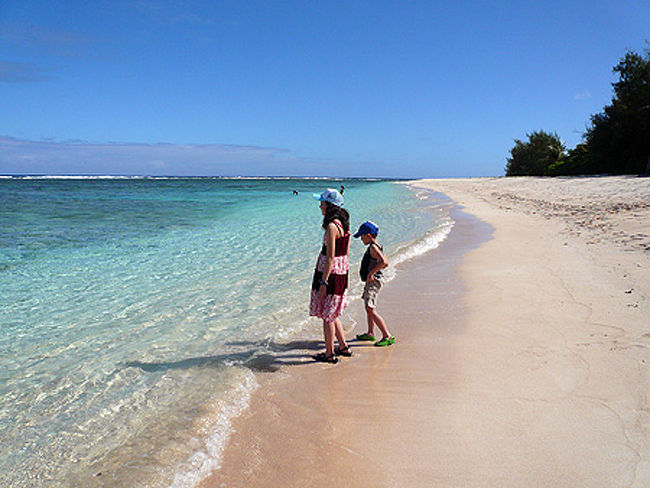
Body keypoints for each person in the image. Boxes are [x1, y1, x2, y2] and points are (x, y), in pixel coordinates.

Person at [309, 189, 352, 363]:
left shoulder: (331, 227)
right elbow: (346, 253)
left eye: (322, 202)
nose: (320, 205)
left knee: (327, 317)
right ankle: (343, 346)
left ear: (329, 205)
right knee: (333, 314)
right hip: (341, 271)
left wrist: (324, 281)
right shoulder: (343, 224)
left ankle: (329, 354)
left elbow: (330, 256)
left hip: (331, 273)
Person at [354, 221, 395, 347]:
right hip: (373, 281)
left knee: (370, 309)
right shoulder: (377, 245)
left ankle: (387, 335)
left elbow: (384, 262)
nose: (361, 239)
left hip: (373, 281)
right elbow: (384, 260)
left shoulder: (373, 247)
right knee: (368, 307)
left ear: (369, 235)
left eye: (362, 236)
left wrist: (371, 273)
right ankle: (370, 333)